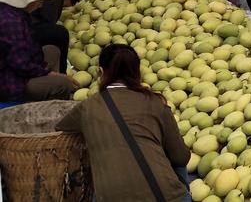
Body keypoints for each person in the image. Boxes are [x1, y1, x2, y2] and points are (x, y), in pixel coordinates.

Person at [57, 44, 190, 202]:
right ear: (137, 72)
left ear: (100, 72)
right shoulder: (155, 102)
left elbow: (60, 128)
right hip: (165, 196)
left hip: (109, 196)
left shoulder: (87, 106)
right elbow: (180, 158)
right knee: (178, 159)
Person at [0, 0, 76, 102]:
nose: (41, 4)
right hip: (10, 82)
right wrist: (50, 74)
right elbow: (20, 64)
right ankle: (49, 110)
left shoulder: (15, 12)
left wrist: (44, 71)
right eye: (40, 0)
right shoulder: (11, 22)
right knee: (65, 84)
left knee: (53, 51)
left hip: (17, 68)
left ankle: (48, 96)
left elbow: (25, 51)